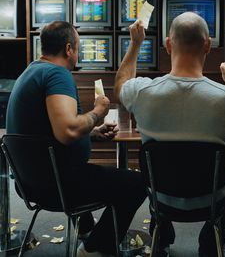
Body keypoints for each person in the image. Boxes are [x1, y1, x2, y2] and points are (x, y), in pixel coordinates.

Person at [114, 12, 225, 257]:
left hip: (161, 196)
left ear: (168, 45)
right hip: (210, 199)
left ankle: (162, 237)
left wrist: (135, 45)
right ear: (208, 45)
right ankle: (210, 243)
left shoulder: (141, 91)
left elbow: (120, 86)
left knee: (159, 175)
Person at [6, 21, 147, 257]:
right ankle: (94, 249)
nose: (78, 54)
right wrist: (97, 113)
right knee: (136, 184)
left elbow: (47, 132)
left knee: (82, 168)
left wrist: (92, 132)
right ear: (68, 49)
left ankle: (85, 233)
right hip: (58, 187)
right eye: (78, 48)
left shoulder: (30, 71)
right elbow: (67, 132)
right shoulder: (56, 73)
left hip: (29, 185)